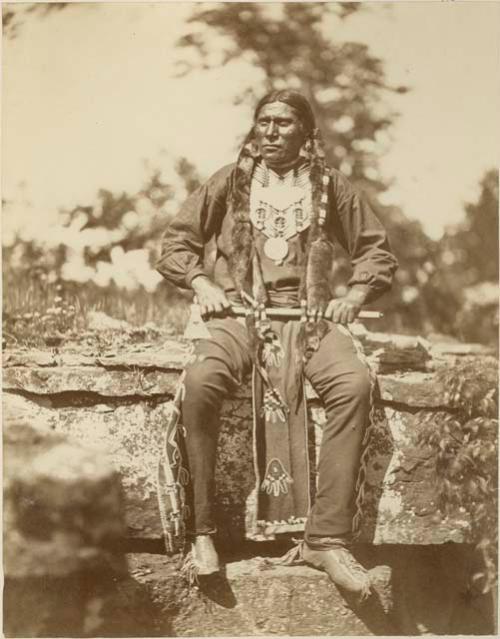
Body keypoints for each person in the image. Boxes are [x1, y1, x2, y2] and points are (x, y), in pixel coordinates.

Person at [156, 90, 398, 600]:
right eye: (263, 121)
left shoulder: (331, 187)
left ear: (306, 132)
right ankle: (203, 534)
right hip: (239, 313)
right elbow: (175, 244)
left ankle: (326, 539)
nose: (270, 131)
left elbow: (376, 250)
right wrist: (202, 282)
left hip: (308, 317)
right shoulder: (228, 181)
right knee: (202, 381)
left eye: (284, 123)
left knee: (354, 383)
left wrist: (354, 294)